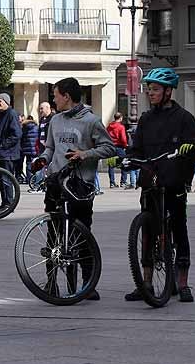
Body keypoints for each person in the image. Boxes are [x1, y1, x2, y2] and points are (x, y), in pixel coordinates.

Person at [32, 77, 117, 300]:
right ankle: (51, 282)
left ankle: (87, 285)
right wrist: (42, 160)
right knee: (53, 236)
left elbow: (109, 148)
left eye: (55, 95)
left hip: (80, 186)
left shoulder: (91, 121)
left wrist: (85, 154)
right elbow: (49, 148)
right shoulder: (55, 121)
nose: (53, 99)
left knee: (82, 236)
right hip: (56, 184)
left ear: (66, 96)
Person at [123, 68, 195, 302]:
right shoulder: (146, 118)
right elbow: (136, 148)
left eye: (155, 89)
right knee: (147, 232)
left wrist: (191, 150)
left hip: (174, 182)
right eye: (149, 89)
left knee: (179, 229)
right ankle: (145, 283)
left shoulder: (184, 118)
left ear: (168, 91)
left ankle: (183, 282)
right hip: (150, 182)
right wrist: (127, 158)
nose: (150, 93)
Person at [0, 93, 22, 212]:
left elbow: (16, 134)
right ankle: (5, 203)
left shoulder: (11, 114)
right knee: (1, 179)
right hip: (1, 153)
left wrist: (2, 146)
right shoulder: (2, 115)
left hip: (7, 154)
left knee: (6, 179)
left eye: (0, 101)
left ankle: (8, 204)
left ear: (7, 102)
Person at [106, 112, 131, 188]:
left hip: (110, 147)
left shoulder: (109, 126)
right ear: (120, 118)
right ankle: (123, 182)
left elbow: (106, 135)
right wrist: (125, 145)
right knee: (124, 163)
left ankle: (112, 183)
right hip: (119, 147)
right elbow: (123, 138)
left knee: (111, 165)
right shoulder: (121, 127)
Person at [20, 114, 40, 187]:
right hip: (35, 148)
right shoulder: (36, 127)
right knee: (34, 164)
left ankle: (29, 179)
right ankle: (35, 180)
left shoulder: (24, 127)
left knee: (28, 164)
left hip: (26, 148)